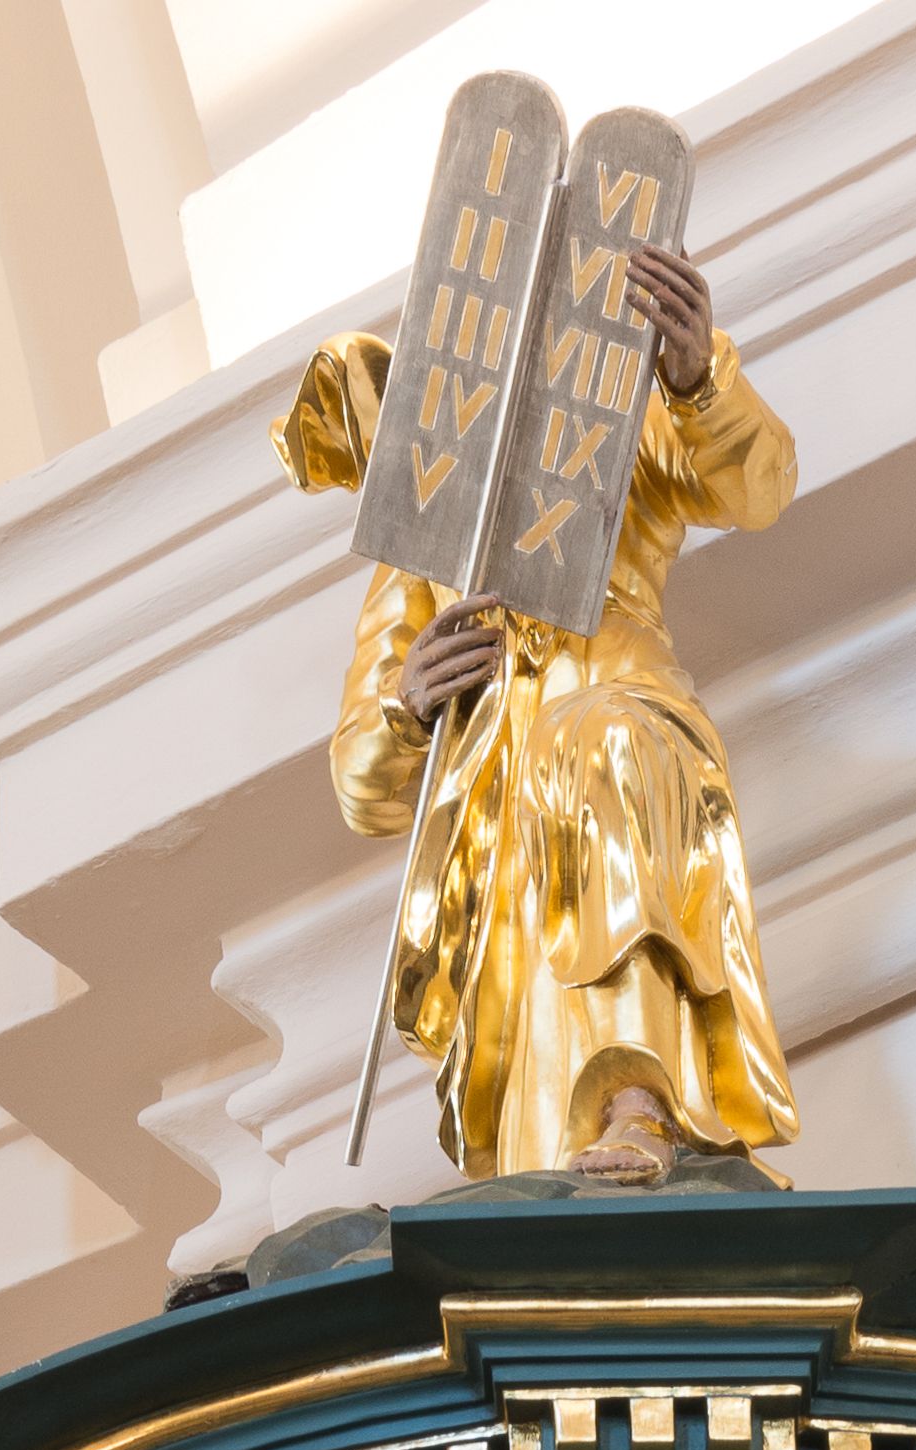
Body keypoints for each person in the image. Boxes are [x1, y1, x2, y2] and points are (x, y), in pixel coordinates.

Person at [306, 236, 799, 1186]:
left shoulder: (617, 421)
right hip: (499, 806)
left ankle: (637, 1100)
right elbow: (360, 785)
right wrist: (410, 704)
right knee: (528, 1022)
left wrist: (695, 376)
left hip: (624, 706)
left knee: (600, 742)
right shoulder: (434, 519)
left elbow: (758, 486)